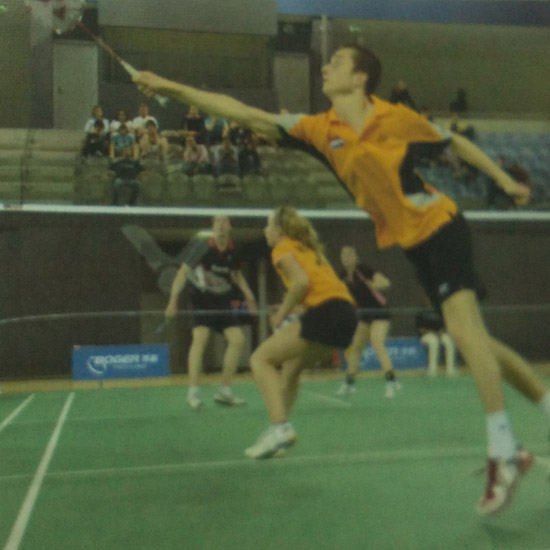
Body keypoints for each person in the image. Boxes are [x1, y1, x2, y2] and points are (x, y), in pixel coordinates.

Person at [134, 43, 550, 516]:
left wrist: (504, 180)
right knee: (479, 341)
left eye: (337, 61)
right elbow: (242, 113)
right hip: (414, 245)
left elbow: (456, 143)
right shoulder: (318, 129)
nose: (326, 66)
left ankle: (505, 451)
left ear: (360, 78)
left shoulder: (396, 118)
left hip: (441, 225)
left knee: (462, 331)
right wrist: (168, 87)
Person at [245, 206, 357, 459]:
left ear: (279, 230)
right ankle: (278, 434)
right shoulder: (309, 250)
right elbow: (319, 289)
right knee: (292, 366)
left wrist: (281, 314)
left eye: (268, 225)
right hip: (346, 315)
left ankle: (280, 428)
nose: (265, 230)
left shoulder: (281, 248)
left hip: (327, 312)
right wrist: (292, 307)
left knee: (260, 359)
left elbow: (301, 283)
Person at [165, 216, 257, 409]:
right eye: (217, 222)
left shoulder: (234, 250)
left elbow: (236, 274)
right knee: (200, 339)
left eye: (224, 221)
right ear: (213, 226)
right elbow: (182, 272)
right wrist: (173, 300)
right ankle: (193, 393)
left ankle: (224, 391)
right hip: (202, 300)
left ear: (230, 226)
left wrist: (248, 295)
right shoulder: (202, 247)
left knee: (238, 340)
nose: (221, 225)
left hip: (223, 302)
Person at [336, 245, 400, 398]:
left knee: (377, 342)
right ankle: (349, 384)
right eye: (344, 254)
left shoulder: (363, 270)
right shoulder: (343, 275)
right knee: (356, 347)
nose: (346, 257)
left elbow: (386, 282)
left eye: (350, 254)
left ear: (356, 257)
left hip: (380, 312)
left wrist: (376, 284)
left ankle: (392, 382)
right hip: (365, 314)